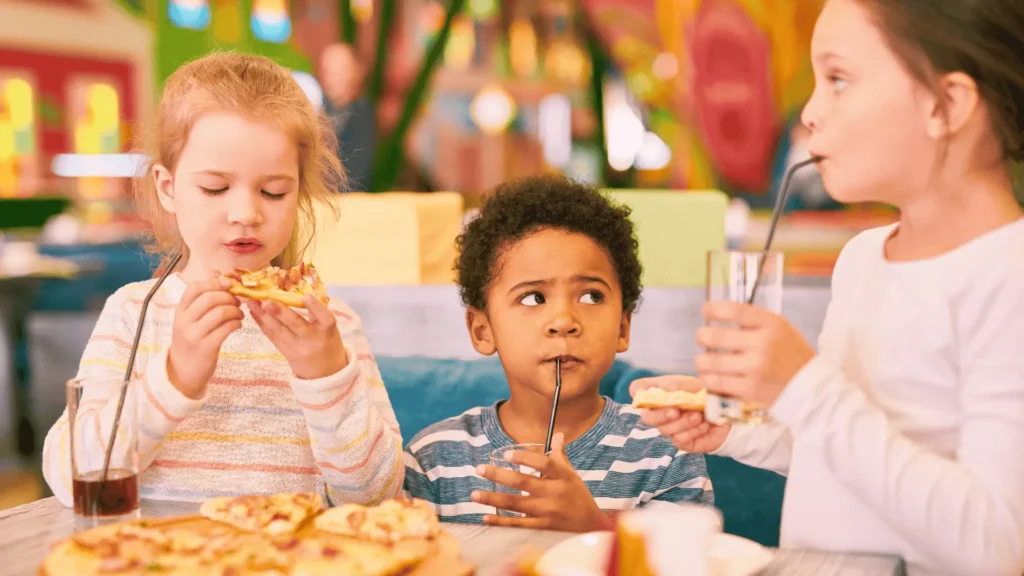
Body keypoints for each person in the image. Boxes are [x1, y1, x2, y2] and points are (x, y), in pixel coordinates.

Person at [632, 0, 1024, 574]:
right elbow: (846, 456)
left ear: (948, 103)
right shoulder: (863, 258)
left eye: (838, 79)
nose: (810, 113)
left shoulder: (1009, 275)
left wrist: (804, 388)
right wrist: (743, 427)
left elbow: (999, 545)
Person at [42, 53, 404, 505]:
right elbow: (72, 478)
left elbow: (377, 496)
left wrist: (327, 376)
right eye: (215, 188)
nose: (245, 213)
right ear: (168, 188)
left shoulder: (330, 326)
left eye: (273, 191)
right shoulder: (134, 315)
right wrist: (173, 378)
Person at [403, 175, 713, 531]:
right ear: (482, 330)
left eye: (591, 296)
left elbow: (684, 557)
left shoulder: (666, 450)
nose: (563, 321)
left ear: (623, 327)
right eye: (533, 298)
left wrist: (592, 526)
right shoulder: (433, 460)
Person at [319, 42, 375, 192]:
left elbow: (358, 172)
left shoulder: (361, 113)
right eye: (328, 70)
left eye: (340, 71)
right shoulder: (319, 108)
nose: (333, 78)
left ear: (355, 73)